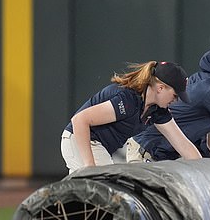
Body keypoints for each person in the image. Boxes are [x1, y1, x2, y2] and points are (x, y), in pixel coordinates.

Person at [60, 60, 201, 173]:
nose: (175, 101)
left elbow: (183, 144)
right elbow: (79, 120)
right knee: (108, 188)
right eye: (175, 95)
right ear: (160, 88)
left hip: (97, 145)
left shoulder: (157, 111)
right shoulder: (127, 99)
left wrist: (203, 170)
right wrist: (89, 166)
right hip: (80, 139)